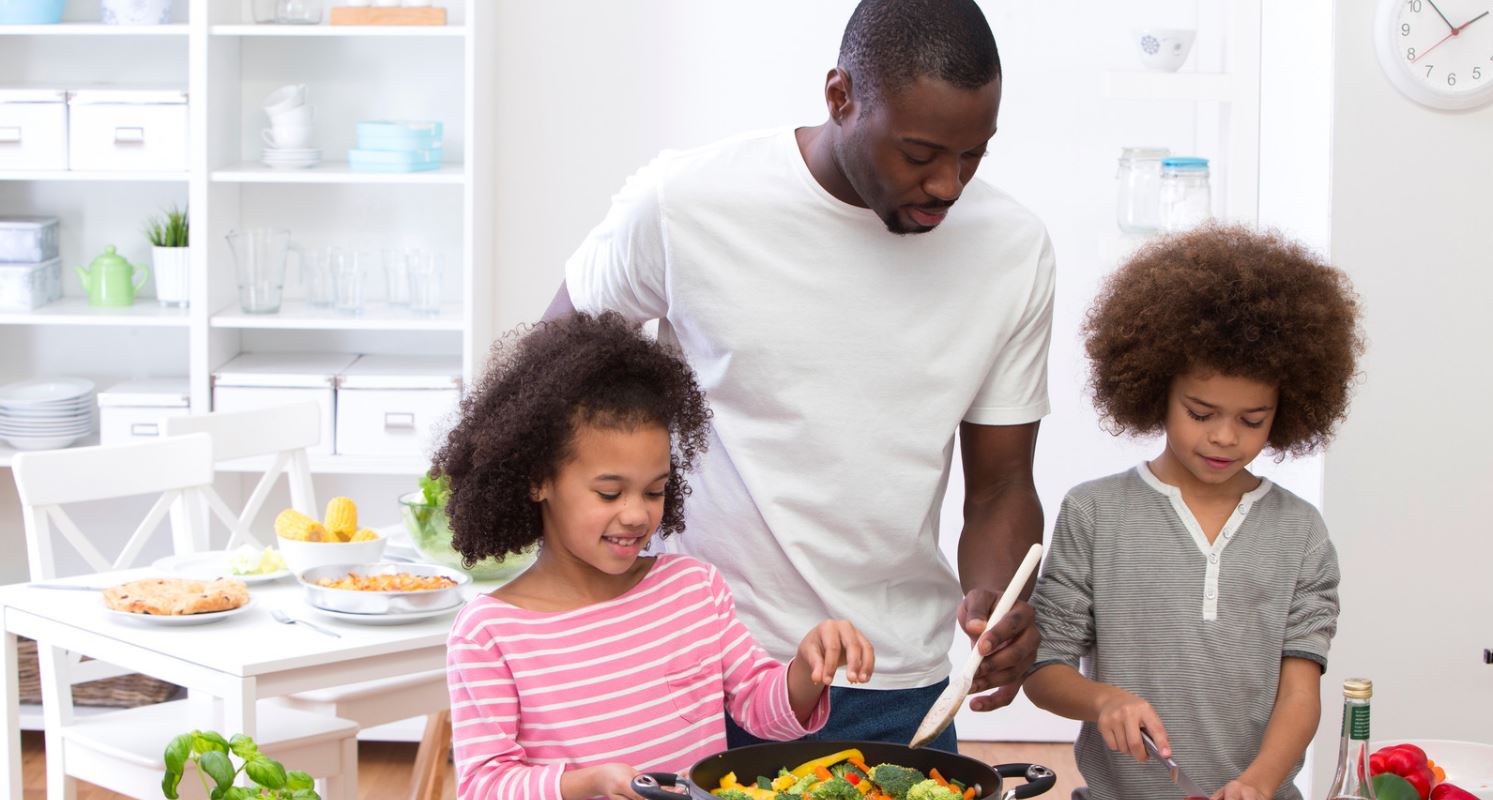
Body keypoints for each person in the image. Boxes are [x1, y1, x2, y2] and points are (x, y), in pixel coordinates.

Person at [548, 0, 1054, 748]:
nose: (948, 183)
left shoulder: (1011, 249)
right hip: (693, 661)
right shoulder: (688, 203)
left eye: (973, 154)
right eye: (919, 154)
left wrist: (998, 602)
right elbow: (548, 382)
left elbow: (1004, 485)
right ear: (840, 97)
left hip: (892, 681)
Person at [438, 312, 875, 800]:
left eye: (654, 491)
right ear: (538, 479)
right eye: (609, 493)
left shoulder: (693, 589)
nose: (635, 515)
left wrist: (807, 667)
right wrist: (591, 782)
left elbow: (758, 707)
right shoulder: (490, 633)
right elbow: (484, 785)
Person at [1023, 226, 1365, 800]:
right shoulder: (1094, 512)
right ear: (1156, 388)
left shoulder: (1299, 531)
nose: (1225, 437)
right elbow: (1043, 671)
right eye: (1201, 412)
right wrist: (1105, 699)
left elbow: (1300, 695)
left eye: (1253, 420)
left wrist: (1256, 786)